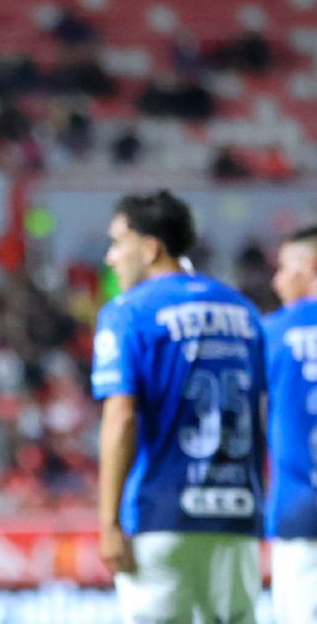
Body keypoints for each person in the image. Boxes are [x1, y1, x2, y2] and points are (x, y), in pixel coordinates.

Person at [93, 190, 265, 624]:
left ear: (151, 248)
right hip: (236, 517)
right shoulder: (245, 312)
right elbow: (262, 413)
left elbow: (121, 416)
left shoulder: (128, 312)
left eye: (118, 242)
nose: (111, 257)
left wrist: (109, 521)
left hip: (161, 517)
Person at [264, 225, 317, 624]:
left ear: (310, 266)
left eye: (283, 268)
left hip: (299, 513)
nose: (276, 281)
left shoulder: (274, 332)